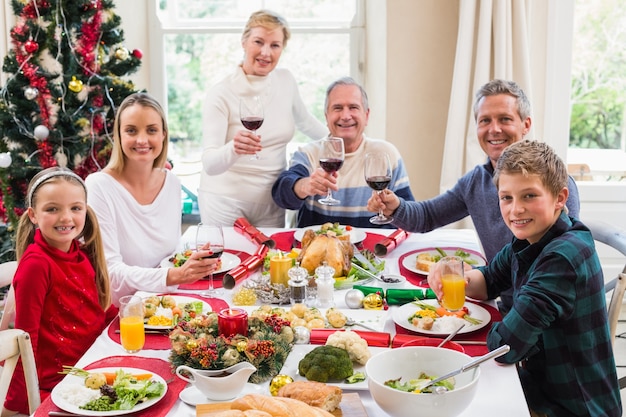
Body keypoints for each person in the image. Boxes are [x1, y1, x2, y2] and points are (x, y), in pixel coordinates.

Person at [428, 140, 622, 416]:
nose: (515, 209)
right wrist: (457, 277)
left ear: (560, 198)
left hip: (572, 406)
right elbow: (490, 280)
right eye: (507, 197)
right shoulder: (535, 237)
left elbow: (505, 347)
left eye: (529, 196)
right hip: (540, 386)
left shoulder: (563, 258)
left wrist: (508, 321)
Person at [367, 79, 580, 312]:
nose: (494, 129)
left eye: (505, 119)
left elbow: (553, 264)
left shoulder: (553, 183)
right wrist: (396, 206)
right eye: (485, 121)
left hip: (543, 312)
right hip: (505, 303)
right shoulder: (476, 181)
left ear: (526, 124)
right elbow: (428, 216)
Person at [1, 168, 117, 416]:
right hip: (58, 385)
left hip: (92, 365)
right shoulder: (37, 265)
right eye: (52, 209)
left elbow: (100, 310)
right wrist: (16, 405)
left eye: (75, 208)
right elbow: (25, 339)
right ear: (33, 215)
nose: (66, 217)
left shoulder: (81, 252)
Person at [198, 9, 328, 228]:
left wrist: (346, 142)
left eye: (275, 45)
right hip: (224, 202)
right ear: (244, 42)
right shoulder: (221, 93)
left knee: (270, 262)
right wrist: (234, 148)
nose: (266, 53)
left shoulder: (285, 81)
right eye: (258, 42)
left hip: (271, 201)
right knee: (227, 262)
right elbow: (210, 164)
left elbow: (306, 122)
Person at [86, 93, 218, 305]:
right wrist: (173, 276)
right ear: (118, 136)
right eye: (131, 130)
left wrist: (191, 261)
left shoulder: (172, 183)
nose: (142, 140)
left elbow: (170, 255)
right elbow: (108, 272)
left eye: (151, 130)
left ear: (163, 135)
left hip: (165, 305)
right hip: (121, 312)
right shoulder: (99, 186)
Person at [272, 76, 414, 228]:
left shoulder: (387, 154)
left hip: (374, 250)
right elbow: (281, 194)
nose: (346, 116)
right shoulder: (309, 153)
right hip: (319, 249)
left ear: (366, 116)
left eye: (353, 107)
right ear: (326, 116)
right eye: (337, 108)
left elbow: (411, 218)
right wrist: (305, 186)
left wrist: (395, 208)